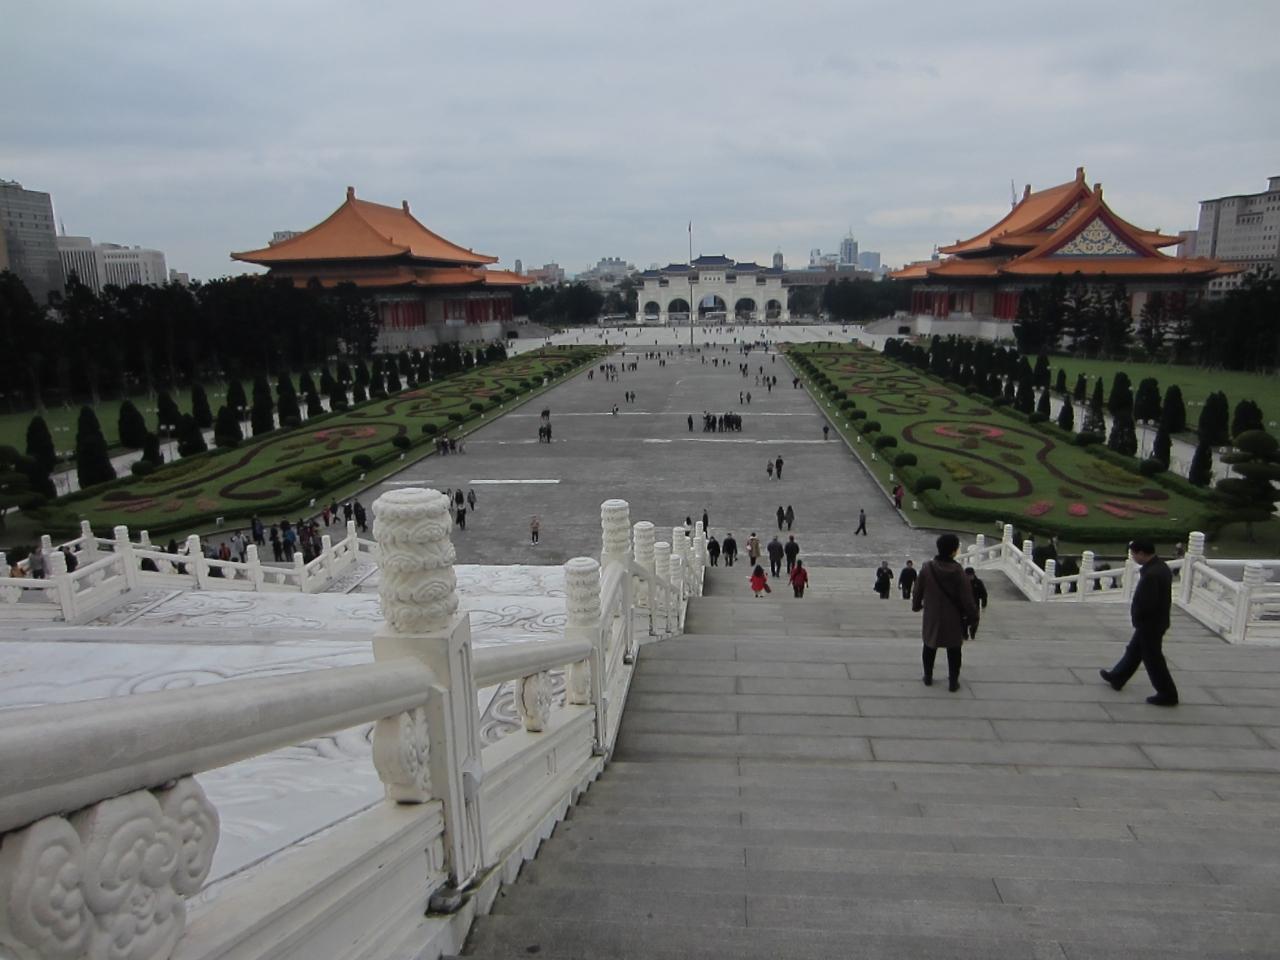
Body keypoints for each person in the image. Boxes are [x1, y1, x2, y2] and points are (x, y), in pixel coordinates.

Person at [1100, 539, 1179, 706]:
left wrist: (1137, 618)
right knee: (1134, 651)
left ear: (1142, 553)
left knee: (1153, 659)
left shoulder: (1151, 574)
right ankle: (1117, 677)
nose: (1133, 557)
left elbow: (1147, 603)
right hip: (1156, 621)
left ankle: (1167, 694)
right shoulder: (1161, 567)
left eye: (1133, 554)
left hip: (1150, 624)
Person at [912, 533, 979, 692]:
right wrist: (973, 616)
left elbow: (917, 590)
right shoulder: (958, 571)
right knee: (954, 649)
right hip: (953, 617)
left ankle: (928, 676)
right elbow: (967, 597)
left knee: (929, 646)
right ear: (954, 551)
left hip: (932, 615)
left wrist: (916, 605)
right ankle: (953, 682)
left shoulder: (927, 568)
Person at [964, 568, 989, 637]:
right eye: (967, 575)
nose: (969, 577)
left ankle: (973, 631)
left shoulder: (978, 582)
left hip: (975, 604)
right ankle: (964, 634)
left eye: (970, 575)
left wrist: (984, 604)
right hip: (964, 605)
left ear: (973, 574)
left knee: (975, 620)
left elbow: (984, 594)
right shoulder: (962, 582)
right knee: (964, 620)